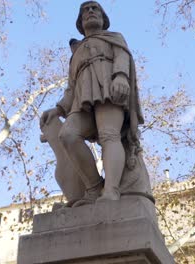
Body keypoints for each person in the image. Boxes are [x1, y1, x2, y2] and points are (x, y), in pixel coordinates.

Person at [41, 1, 144, 207]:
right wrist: (59, 109)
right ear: (80, 22)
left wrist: (121, 76)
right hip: (82, 100)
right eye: (85, 10)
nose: (89, 11)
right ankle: (94, 188)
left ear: (103, 18)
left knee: (109, 135)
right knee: (67, 135)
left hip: (109, 90)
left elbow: (122, 57)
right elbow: (71, 86)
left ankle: (112, 191)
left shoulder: (114, 38)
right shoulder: (76, 52)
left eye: (94, 8)